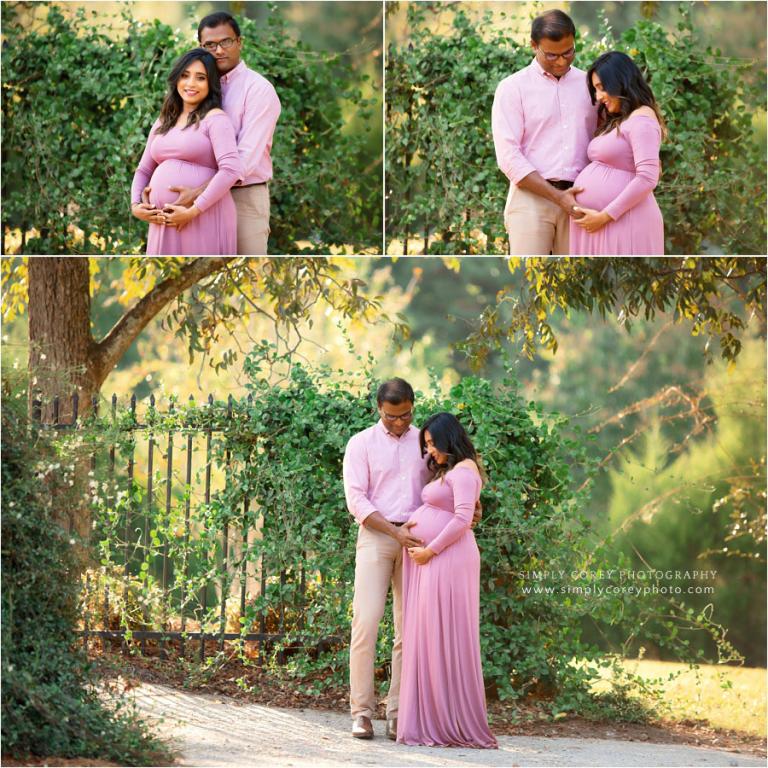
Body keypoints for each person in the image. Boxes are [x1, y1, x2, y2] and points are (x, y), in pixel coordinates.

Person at [343, 379, 480, 741]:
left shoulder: (426, 440)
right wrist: (393, 532)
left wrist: (471, 506)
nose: (400, 423)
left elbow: (450, 479)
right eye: (391, 417)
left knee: (410, 629)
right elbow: (356, 500)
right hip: (377, 536)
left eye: (405, 415)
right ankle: (361, 712)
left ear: (412, 407)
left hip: (419, 540)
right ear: (378, 409)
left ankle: (399, 712)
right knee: (366, 622)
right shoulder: (361, 444)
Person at [397, 412, 497, 749]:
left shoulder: (466, 471)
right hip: (434, 558)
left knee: (444, 635)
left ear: (447, 438)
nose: (429, 451)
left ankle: (448, 720)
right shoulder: (452, 470)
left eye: (431, 443)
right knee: (429, 634)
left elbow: (462, 521)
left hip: (448, 558)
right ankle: (432, 717)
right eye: (424, 444)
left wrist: (430, 552)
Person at [142, 12, 281, 256]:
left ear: (240, 42)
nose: (218, 50)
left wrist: (196, 196)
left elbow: (243, 161)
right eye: (210, 45)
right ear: (200, 46)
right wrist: (151, 184)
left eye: (226, 42)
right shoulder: (196, 88)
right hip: (186, 204)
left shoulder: (259, 90)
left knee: (245, 263)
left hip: (241, 198)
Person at [491, 10, 598, 255]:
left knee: (573, 278)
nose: (561, 61)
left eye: (568, 52)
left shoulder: (590, 85)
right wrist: (555, 196)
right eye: (551, 55)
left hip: (581, 198)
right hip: (530, 199)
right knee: (533, 275)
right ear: (533, 45)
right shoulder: (512, 88)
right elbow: (508, 157)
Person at [130, 49, 243, 255]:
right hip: (163, 220)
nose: (190, 84)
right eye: (185, 75)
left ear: (211, 84)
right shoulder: (164, 121)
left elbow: (230, 170)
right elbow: (143, 169)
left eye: (200, 78)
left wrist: (193, 211)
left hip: (203, 215)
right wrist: (135, 204)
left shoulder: (216, 119)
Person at [569, 51, 666, 254]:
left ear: (619, 81)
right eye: (595, 90)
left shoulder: (642, 120)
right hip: (604, 223)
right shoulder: (622, 120)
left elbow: (648, 178)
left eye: (601, 88)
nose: (598, 97)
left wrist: (604, 216)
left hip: (624, 222)